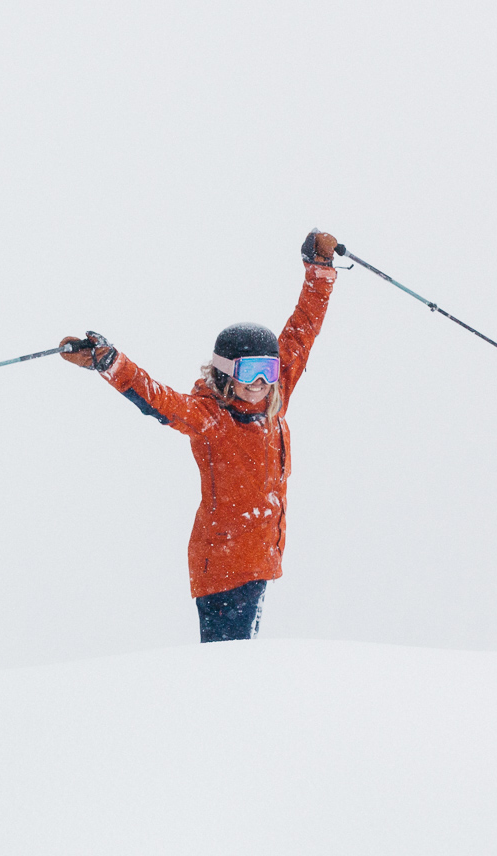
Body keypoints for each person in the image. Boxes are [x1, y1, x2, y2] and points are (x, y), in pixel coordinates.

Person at [60, 230, 340, 642]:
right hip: (222, 570)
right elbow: (160, 401)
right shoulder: (211, 418)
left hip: (260, 560)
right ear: (226, 372)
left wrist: (319, 270)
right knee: (227, 669)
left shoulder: (271, 401)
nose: (261, 382)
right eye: (249, 372)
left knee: (244, 661)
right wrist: (109, 362)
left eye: (269, 370)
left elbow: (301, 332)